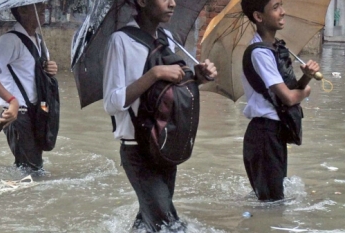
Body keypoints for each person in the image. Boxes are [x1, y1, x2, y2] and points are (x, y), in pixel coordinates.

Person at [102, 0, 217, 231]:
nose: (172, 3)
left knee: (150, 221)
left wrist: (198, 77)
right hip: (137, 149)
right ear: (143, 2)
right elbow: (112, 102)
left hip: (164, 144)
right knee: (169, 225)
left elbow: (171, 92)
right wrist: (155, 73)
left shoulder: (167, 38)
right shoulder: (121, 41)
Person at [240, 0, 320, 201]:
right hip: (264, 135)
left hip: (274, 133)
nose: (282, 12)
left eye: (281, 5)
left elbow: (289, 91)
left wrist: (307, 76)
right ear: (259, 17)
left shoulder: (273, 49)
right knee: (272, 203)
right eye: (275, 8)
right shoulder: (260, 53)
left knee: (273, 200)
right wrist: (307, 91)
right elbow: (288, 97)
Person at [0, 2, 58, 172]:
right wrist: (12, 100)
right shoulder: (10, 40)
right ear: (22, 10)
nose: (44, 8)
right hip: (17, 114)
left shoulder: (38, 39)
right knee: (30, 169)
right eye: (38, 5)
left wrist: (50, 69)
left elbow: (34, 76)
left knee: (33, 166)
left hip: (36, 112)